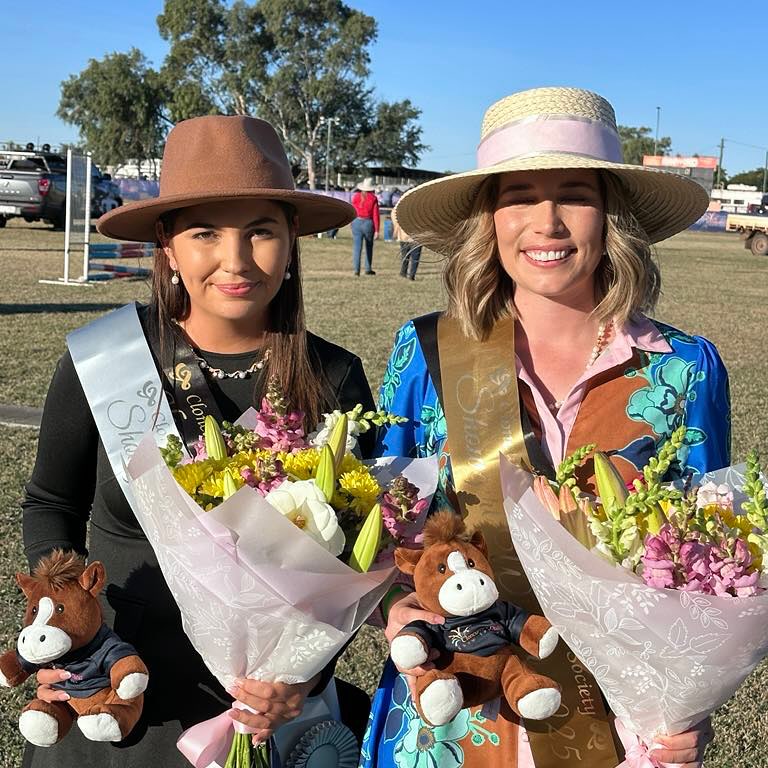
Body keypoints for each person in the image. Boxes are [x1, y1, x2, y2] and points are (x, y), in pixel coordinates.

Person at [361, 87, 728, 768]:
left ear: (610, 214)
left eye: (574, 194)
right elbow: (387, 524)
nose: (548, 221)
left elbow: (707, 563)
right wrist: (399, 611)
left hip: (621, 725)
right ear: (489, 217)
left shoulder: (688, 369)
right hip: (453, 716)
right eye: (520, 194)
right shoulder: (425, 352)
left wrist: (686, 705)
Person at [21, 115, 375, 767]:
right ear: (168, 243)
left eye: (261, 231)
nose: (235, 260)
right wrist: (62, 621)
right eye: (205, 232)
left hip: (273, 718)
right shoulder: (104, 361)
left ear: (290, 239)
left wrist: (299, 676)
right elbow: (50, 503)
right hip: (119, 704)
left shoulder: (334, 377)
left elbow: (361, 555)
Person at [351, 178, 380, 275]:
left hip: (357, 221)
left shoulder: (356, 196)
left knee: (357, 247)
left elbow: (353, 210)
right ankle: (368, 268)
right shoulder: (373, 198)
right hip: (368, 223)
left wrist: (352, 223)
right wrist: (377, 230)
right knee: (369, 246)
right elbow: (375, 215)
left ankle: (356, 270)